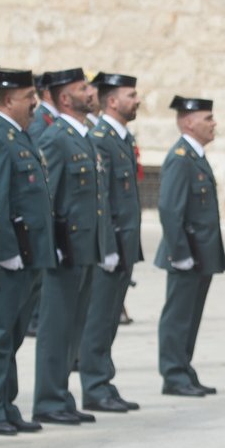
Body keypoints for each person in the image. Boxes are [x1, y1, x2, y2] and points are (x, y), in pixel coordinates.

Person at [0, 66, 52, 435]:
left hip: (30, 254)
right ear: (8, 100)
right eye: (28, 97)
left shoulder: (20, 136)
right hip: (12, 256)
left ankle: (6, 403)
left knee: (13, 333)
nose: (35, 103)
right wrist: (6, 251)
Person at [33, 67, 110, 425]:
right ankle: (48, 399)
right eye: (83, 89)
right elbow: (47, 198)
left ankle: (61, 395)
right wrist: (55, 245)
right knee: (56, 327)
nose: (91, 93)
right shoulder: (56, 138)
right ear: (65, 98)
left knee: (74, 325)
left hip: (85, 248)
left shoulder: (84, 136)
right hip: (65, 250)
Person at [81, 71, 144, 415]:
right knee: (99, 319)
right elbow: (101, 198)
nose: (137, 100)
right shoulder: (101, 139)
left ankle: (104, 381)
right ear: (112, 101)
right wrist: (106, 246)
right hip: (111, 246)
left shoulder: (121, 138)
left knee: (109, 320)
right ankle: (94, 385)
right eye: (131, 95)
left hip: (124, 244)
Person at [155, 95, 225, 396]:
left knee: (191, 316)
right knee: (178, 316)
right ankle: (173, 374)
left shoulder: (195, 156)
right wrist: (180, 253)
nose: (213, 124)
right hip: (186, 253)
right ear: (188, 122)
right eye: (207, 118)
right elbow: (170, 210)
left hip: (201, 253)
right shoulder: (180, 157)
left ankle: (184, 367)